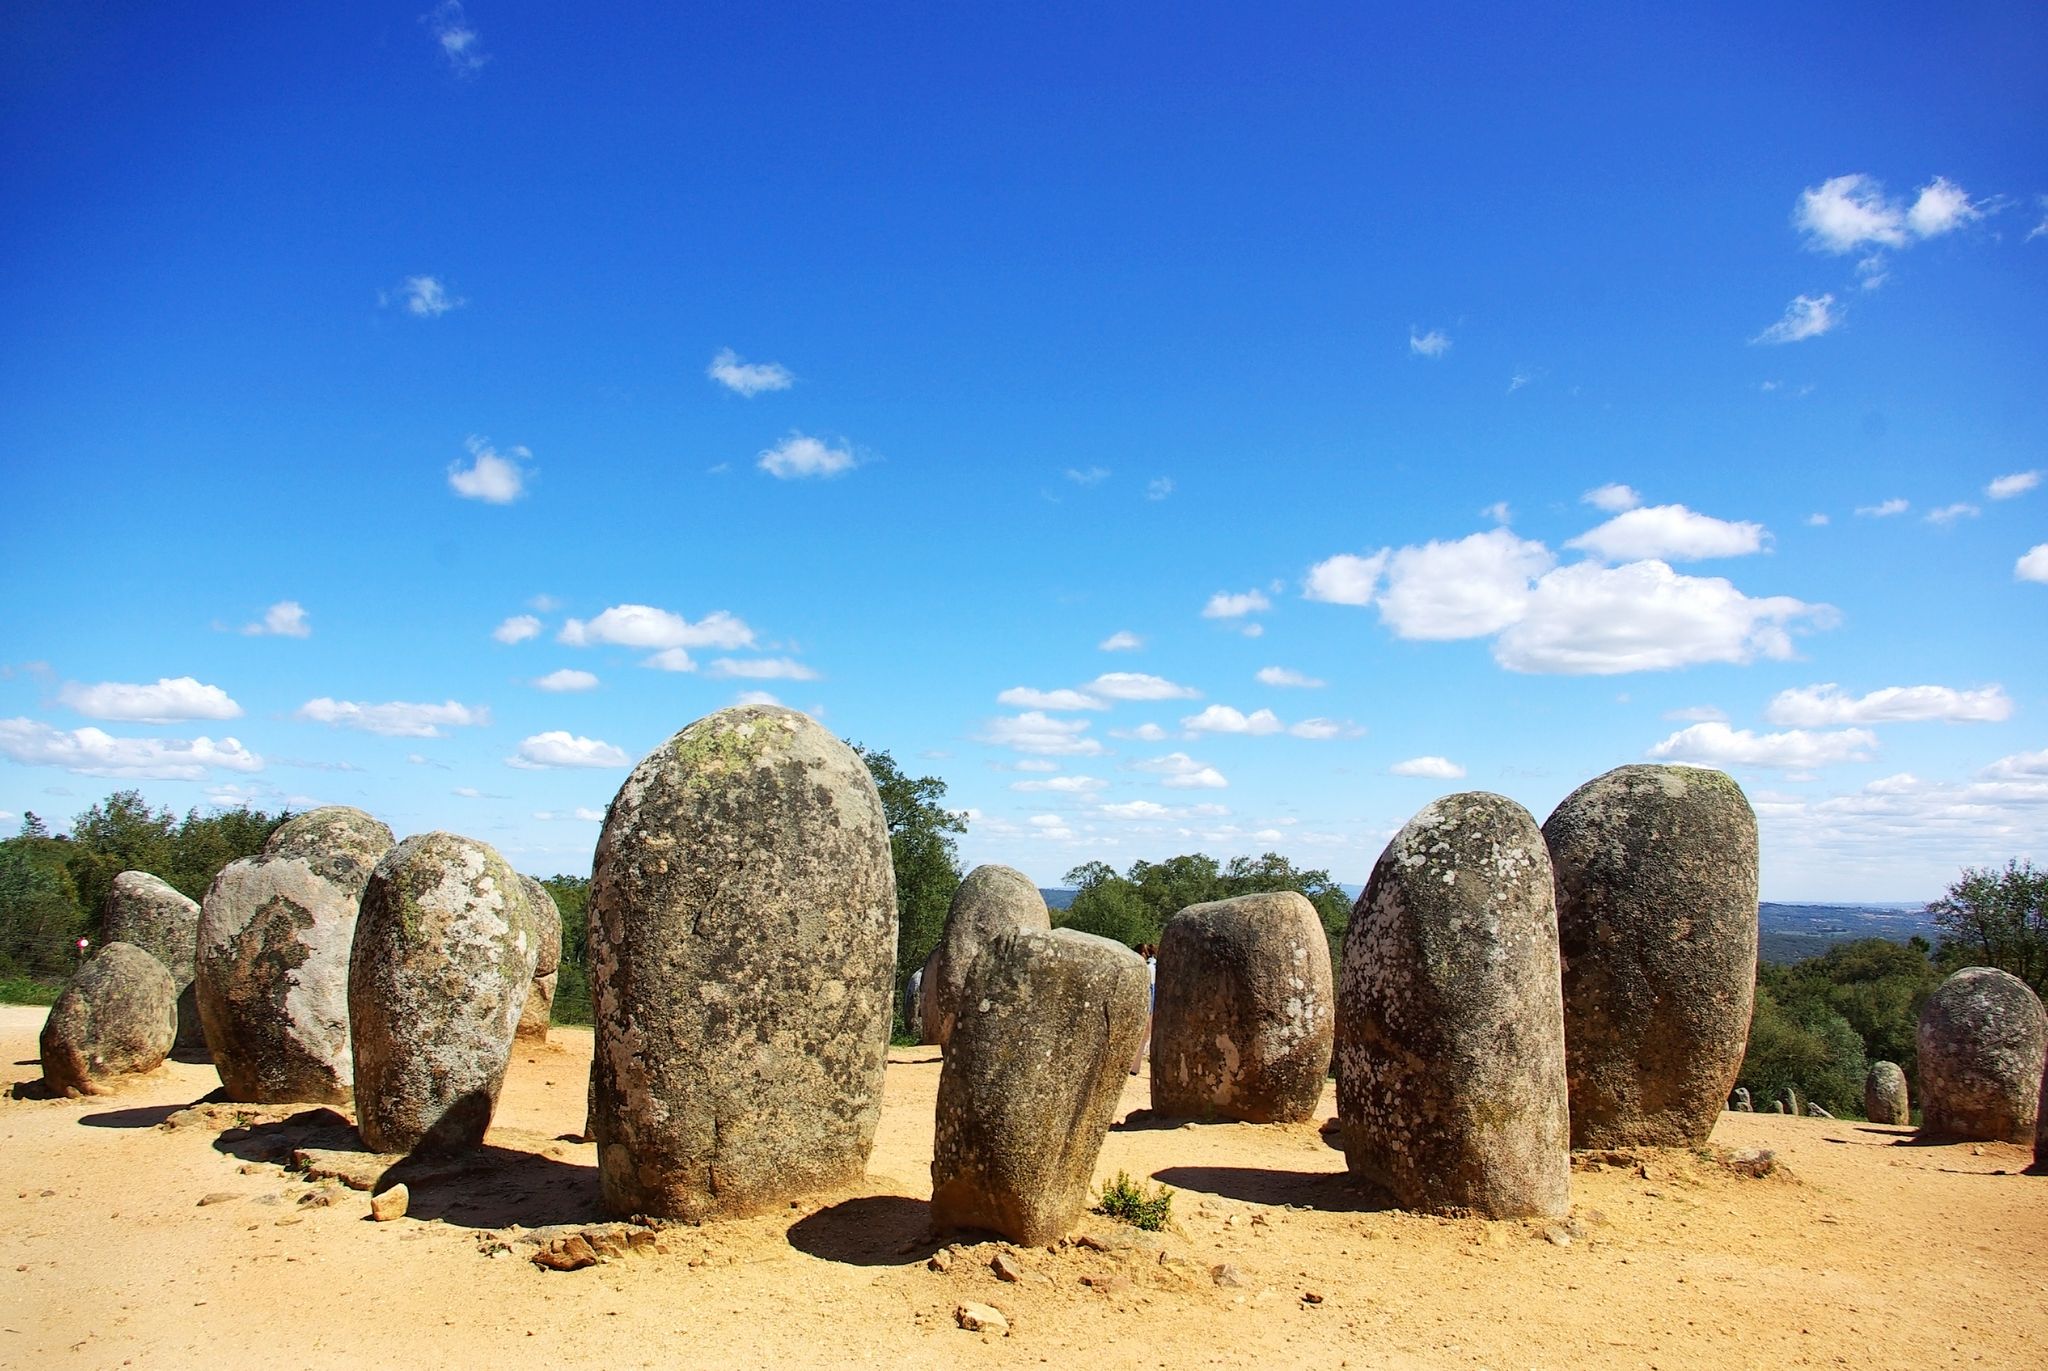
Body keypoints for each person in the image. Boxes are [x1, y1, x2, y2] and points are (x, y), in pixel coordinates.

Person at [1129, 942, 1157, 1075]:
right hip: (1153, 1006)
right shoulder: (1153, 966)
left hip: (1150, 1006)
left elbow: (1151, 989)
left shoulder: (1150, 967)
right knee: (1145, 1036)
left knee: (1146, 1036)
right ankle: (1135, 1067)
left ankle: (1136, 1067)